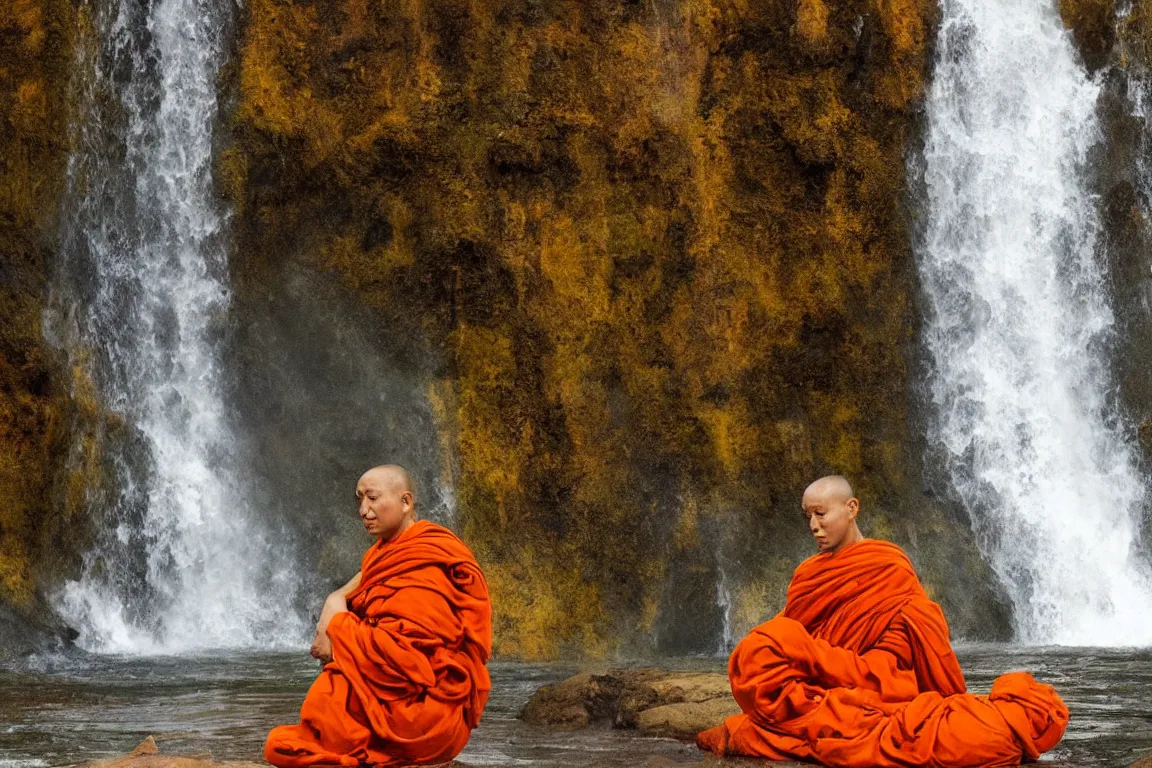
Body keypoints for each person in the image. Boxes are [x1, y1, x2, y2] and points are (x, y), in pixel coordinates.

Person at [696, 475, 1068, 767]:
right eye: (807, 515)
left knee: (967, 731)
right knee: (761, 648)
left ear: (852, 507)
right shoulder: (808, 574)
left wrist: (823, 660)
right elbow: (792, 637)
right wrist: (803, 653)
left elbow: (899, 655)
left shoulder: (889, 565)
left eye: (821, 513)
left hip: (879, 687)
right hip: (821, 687)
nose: (813, 524)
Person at [265, 465, 492, 768]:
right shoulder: (381, 554)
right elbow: (361, 601)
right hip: (395, 701)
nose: (363, 510)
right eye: (359, 500)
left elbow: (407, 659)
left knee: (301, 729)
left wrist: (337, 631)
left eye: (372, 498)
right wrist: (334, 604)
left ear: (406, 502)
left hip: (426, 714)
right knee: (292, 735)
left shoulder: (432, 556)